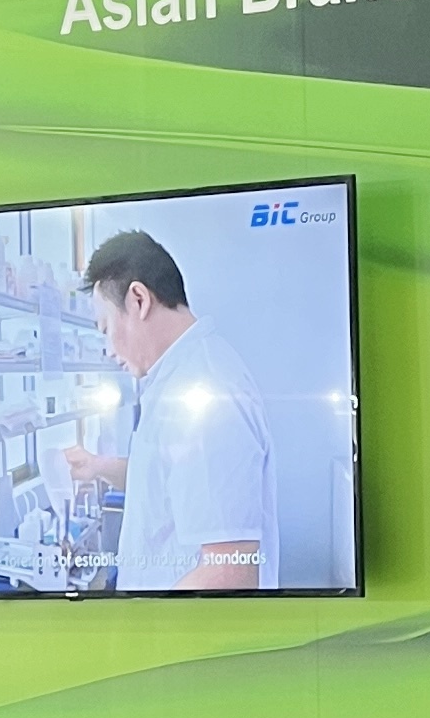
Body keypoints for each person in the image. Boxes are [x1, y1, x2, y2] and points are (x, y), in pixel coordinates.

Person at [59, 226, 277, 592]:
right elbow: (167, 480)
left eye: (106, 328)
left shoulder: (204, 392)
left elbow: (230, 571)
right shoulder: (176, 380)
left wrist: (142, 622)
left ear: (138, 300)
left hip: (182, 625)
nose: (108, 349)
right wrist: (98, 467)